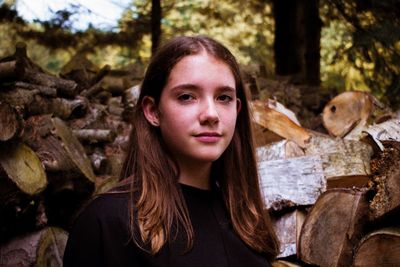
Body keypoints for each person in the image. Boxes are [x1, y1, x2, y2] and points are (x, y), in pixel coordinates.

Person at [63, 35, 279, 267]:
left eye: (223, 98)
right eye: (187, 97)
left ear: (237, 109)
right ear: (153, 111)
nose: (211, 114)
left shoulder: (247, 222)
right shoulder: (107, 224)